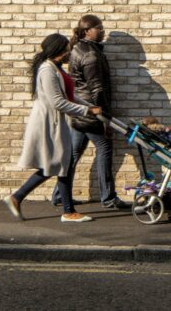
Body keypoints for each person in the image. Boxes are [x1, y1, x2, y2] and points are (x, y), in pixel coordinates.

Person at [5, 33, 103, 224]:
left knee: (61, 164)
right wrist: (87, 110)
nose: (69, 52)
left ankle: (20, 198)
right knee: (60, 164)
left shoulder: (56, 69)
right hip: (48, 124)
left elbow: (69, 96)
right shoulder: (47, 71)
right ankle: (65, 211)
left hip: (57, 123)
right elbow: (58, 102)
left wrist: (90, 107)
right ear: (58, 50)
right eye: (67, 49)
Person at [63, 14, 123, 210]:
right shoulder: (90, 55)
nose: (102, 31)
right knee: (105, 149)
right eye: (99, 28)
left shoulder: (79, 49)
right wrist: (104, 117)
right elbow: (97, 88)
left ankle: (59, 195)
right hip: (91, 112)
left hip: (80, 111)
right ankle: (108, 198)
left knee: (73, 154)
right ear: (87, 31)